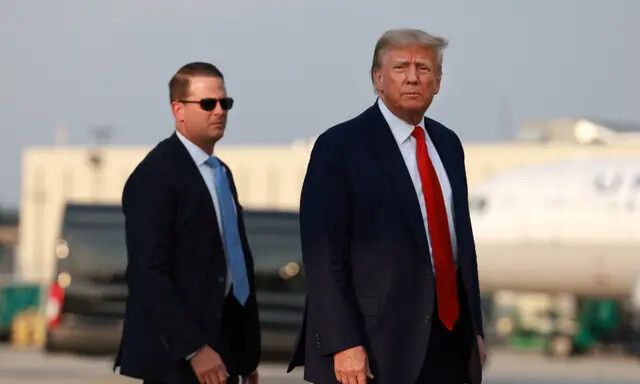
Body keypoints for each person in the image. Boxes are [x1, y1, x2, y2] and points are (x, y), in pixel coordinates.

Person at [288, 29, 486, 384]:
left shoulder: (448, 145)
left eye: (424, 68)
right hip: (372, 346)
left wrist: (476, 331)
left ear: (438, 82)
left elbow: (461, 246)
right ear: (377, 78)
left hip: (448, 344)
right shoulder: (340, 147)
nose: (413, 77)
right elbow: (322, 256)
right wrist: (343, 343)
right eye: (400, 67)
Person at [114, 62, 260, 384]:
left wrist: (245, 357)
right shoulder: (155, 175)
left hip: (224, 355)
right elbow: (147, 274)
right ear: (178, 110)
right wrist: (194, 349)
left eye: (226, 103)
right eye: (208, 103)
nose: (219, 111)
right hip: (176, 361)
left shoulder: (221, 173)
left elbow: (233, 267)